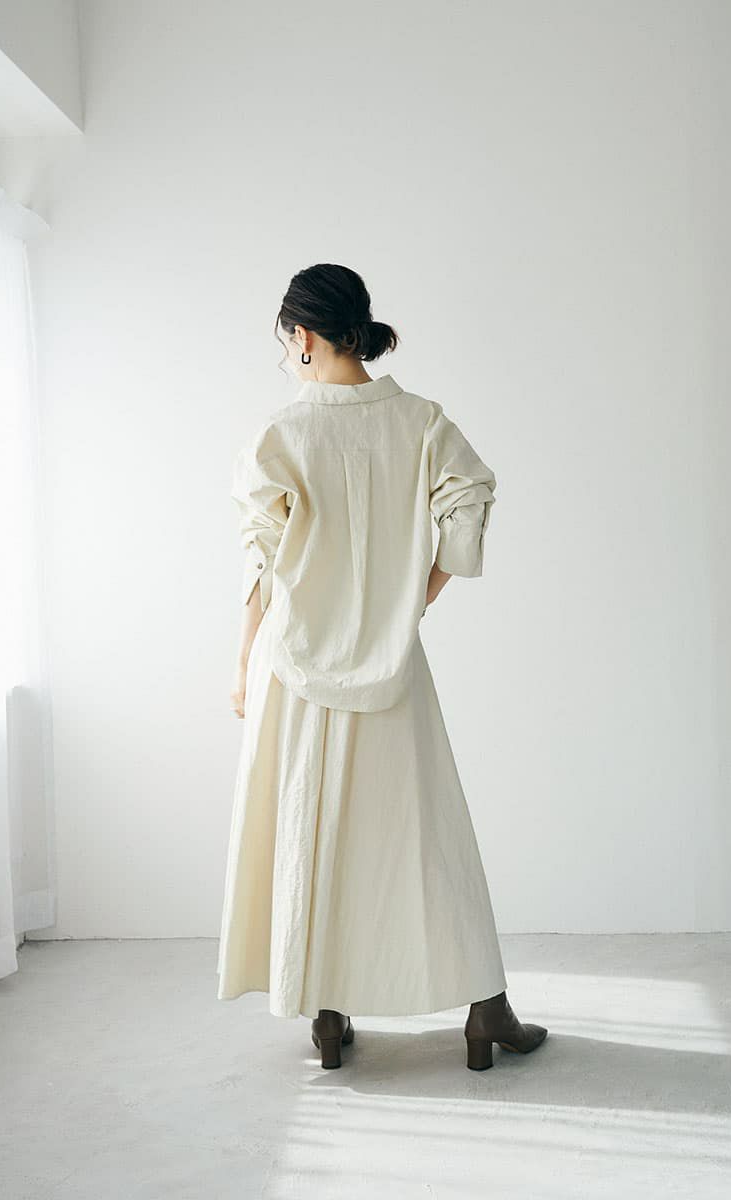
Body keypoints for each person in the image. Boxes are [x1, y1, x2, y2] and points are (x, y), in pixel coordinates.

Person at [216, 263, 547, 1071]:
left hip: (295, 668)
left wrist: (242, 662)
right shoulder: (422, 421)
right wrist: (413, 601)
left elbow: (262, 563)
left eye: (284, 340)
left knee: (311, 828)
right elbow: (469, 499)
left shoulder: (280, 434)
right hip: (392, 664)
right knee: (427, 832)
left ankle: (328, 1012)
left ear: (302, 334)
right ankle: (486, 1009)